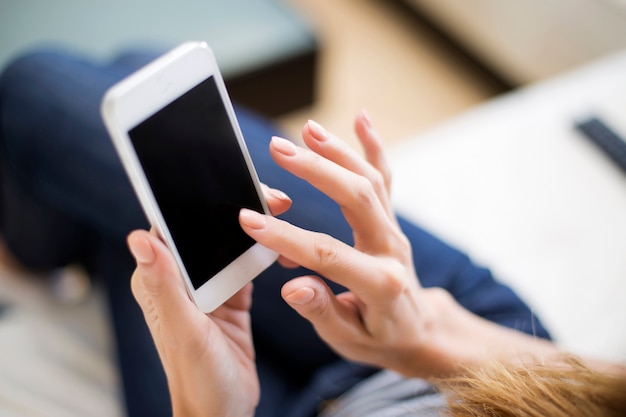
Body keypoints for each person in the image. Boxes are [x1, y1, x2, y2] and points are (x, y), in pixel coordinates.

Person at [0, 49, 623, 417]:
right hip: (510, 373)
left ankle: (42, 243)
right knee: (139, 89)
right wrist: (427, 334)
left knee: (63, 105)